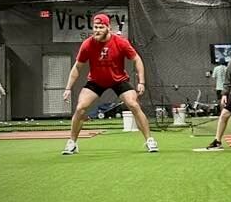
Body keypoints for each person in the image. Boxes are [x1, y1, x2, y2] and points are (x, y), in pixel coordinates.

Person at [60, 13, 158, 155]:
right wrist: (68, 88)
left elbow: (137, 59)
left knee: (134, 104)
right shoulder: (87, 44)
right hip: (96, 81)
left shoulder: (121, 43)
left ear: (108, 28)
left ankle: (150, 140)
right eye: (95, 27)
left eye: (101, 27)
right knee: (80, 108)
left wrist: (141, 82)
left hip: (119, 80)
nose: (97, 30)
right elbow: (77, 67)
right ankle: (72, 143)